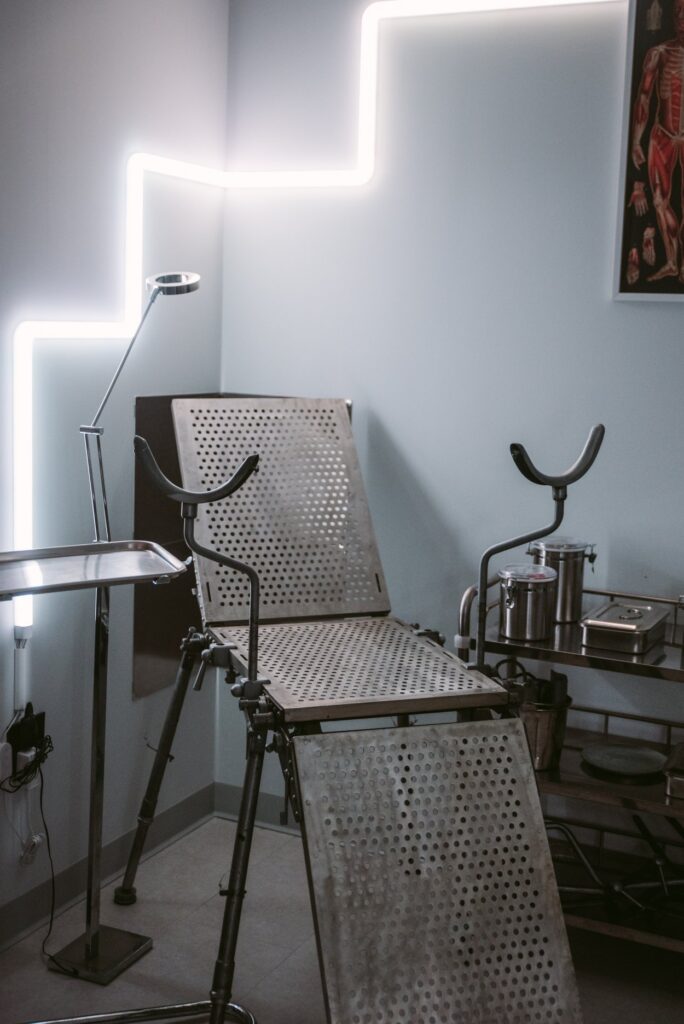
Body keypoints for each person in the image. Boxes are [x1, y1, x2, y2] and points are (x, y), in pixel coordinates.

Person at [630, 0, 684, 281]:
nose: (681, 17)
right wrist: (636, 140)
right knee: (661, 201)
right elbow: (643, 97)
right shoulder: (658, 53)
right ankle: (673, 262)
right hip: (662, 135)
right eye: (677, 12)